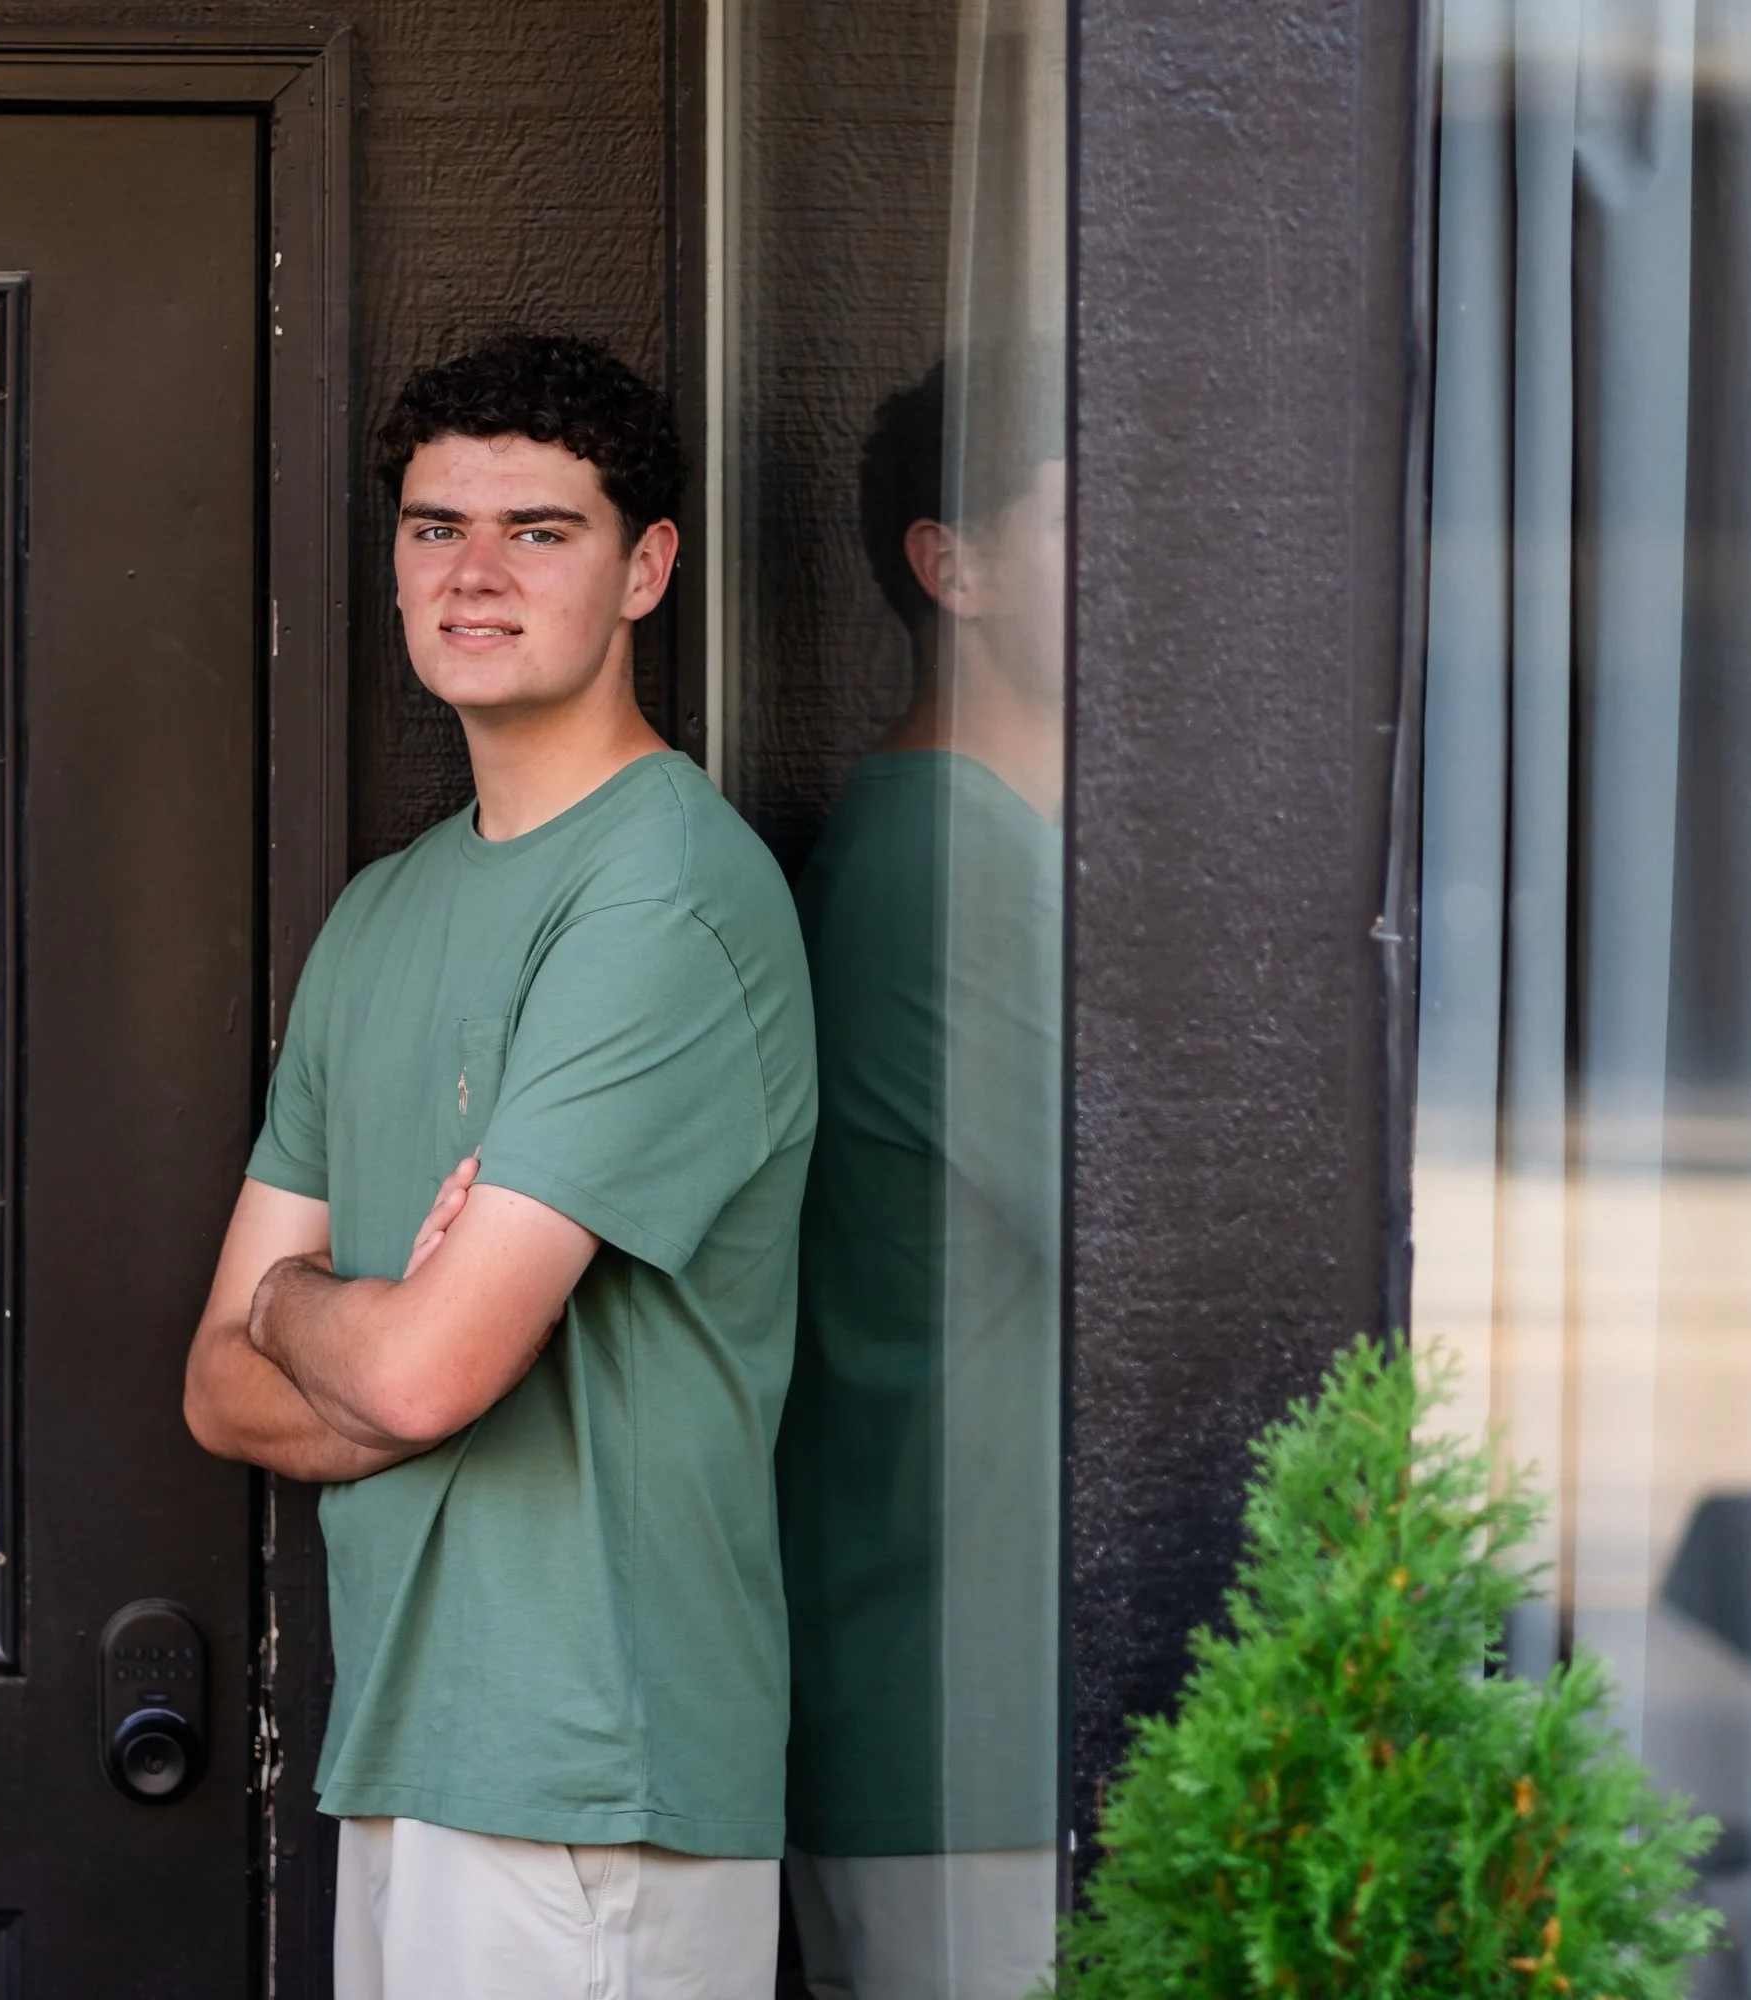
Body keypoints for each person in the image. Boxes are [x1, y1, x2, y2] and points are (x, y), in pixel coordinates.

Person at [182, 331, 817, 1999]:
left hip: (595, 1777)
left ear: (645, 570)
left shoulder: (665, 897)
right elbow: (218, 1391)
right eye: (433, 528)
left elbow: (410, 1371)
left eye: (539, 531)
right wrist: (380, 1334)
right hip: (408, 1745)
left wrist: (306, 1306)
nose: (473, 574)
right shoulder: (381, 914)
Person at [777, 349, 1066, 2000]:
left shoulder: (983, 845)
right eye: (1085, 515)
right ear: (951, 567)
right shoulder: (955, 865)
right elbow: (1184, 1257)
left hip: (986, 1726)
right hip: (962, 1747)